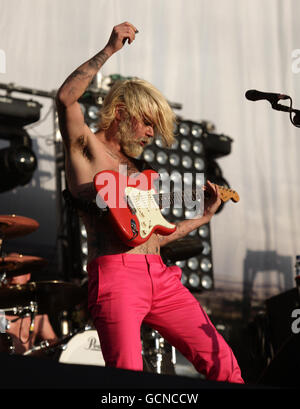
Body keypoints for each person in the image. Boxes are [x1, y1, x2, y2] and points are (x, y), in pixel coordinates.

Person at [55, 22, 244, 383]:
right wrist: (109, 49)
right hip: (115, 277)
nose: (150, 135)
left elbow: (152, 237)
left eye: (155, 129)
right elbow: (65, 98)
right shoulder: (86, 148)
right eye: (147, 123)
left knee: (223, 362)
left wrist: (202, 218)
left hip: (162, 277)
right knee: (129, 378)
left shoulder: (142, 172)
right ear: (122, 111)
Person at [4, 270, 58, 354]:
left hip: (28, 364)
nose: (13, 277)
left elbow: (53, 343)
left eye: (17, 272)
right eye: (10, 273)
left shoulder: (37, 314)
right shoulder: (1, 311)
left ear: (28, 276)